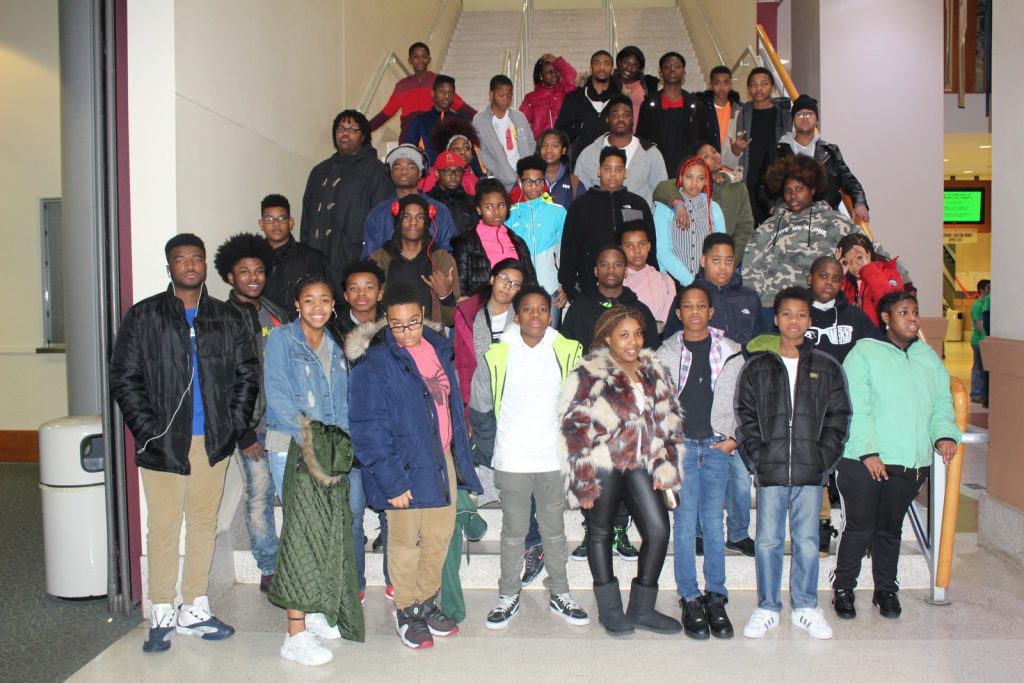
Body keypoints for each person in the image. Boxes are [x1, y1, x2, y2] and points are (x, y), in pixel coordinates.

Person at [109, 234, 258, 653]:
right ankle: (161, 609)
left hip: (211, 441)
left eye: (196, 259)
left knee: (203, 524)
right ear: (169, 267)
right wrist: (146, 429)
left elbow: (248, 373)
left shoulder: (226, 318)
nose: (190, 266)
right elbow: (124, 377)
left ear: (205, 266)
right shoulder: (143, 316)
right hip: (162, 444)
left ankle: (194, 605)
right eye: (181, 260)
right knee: (163, 525)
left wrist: (232, 426)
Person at [347, 281, 483, 650]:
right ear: (386, 321)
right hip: (403, 466)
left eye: (413, 322)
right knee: (405, 542)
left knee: (439, 537)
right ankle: (406, 609)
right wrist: (391, 481)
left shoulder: (439, 349)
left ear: (423, 315)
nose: (406, 331)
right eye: (397, 325)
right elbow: (367, 428)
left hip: (440, 460)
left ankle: (426, 601)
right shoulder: (374, 363)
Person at [832, 292, 960, 620]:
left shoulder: (927, 357)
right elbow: (855, 405)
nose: (912, 318)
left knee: (890, 530)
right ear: (886, 318)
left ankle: (886, 589)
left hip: (909, 463)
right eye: (903, 312)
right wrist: (868, 451)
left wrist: (944, 434)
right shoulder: (865, 352)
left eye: (915, 311)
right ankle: (844, 588)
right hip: (864, 461)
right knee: (859, 528)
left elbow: (941, 402)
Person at [469, 285, 589, 630]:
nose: (535, 315)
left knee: (554, 531)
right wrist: (494, 448)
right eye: (528, 309)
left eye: (542, 310)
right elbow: (479, 407)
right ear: (516, 316)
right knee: (513, 532)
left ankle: (560, 592)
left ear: (550, 316)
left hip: (552, 459)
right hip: (513, 460)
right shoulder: (497, 355)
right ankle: (508, 594)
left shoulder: (568, 352)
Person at [559, 306, 683, 636]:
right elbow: (573, 427)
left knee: (658, 531)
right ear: (608, 338)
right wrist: (581, 480)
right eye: (624, 335)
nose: (633, 341)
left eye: (638, 334)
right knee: (600, 532)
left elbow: (669, 421)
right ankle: (610, 609)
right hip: (603, 462)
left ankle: (642, 609)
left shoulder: (654, 370)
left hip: (641, 462)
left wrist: (666, 464)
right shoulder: (589, 372)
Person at [736, 286, 851, 641]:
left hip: (810, 470)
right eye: (787, 313)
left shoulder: (826, 367)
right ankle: (767, 607)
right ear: (775, 319)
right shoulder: (757, 366)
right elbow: (745, 416)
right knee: (767, 541)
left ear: (810, 321)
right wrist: (757, 458)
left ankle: (805, 607)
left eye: (801, 315)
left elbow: (839, 416)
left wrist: (824, 458)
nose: (794, 321)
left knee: (806, 541)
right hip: (770, 469)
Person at [263, 275, 363, 665]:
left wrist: (341, 446)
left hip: (327, 452)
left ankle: (316, 611)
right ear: (297, 304)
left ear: (333, 305)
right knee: (300, 536)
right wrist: (314, 442)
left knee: (325, 532)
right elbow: (279, 397)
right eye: (309, 300)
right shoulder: (281, 340)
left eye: (324, 300)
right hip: (291, 447)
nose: (317, 307)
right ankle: (294, 634)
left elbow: (343, 403)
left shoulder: (335, 345)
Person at [661, 234, 761, 556]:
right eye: (715, 260)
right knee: (698, 478)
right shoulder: (691, 296)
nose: (722, 267)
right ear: (703, 261)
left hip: (736, 397)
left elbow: (760, 342)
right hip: (699, 403)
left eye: (729, 261)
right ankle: (700, 533)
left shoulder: (748, 297)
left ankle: (739, 532)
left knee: (740, 477)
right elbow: (672, 345)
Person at [657, 283, 744, 640]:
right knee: (683, 521)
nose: (694, 312)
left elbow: (744, 400)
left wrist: (735, 437)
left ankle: (716, 595)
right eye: (688, 306)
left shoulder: (731, 351)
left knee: (712, 522)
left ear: (711, 311)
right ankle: (690, 596)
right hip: (681, 447)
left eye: (701, 306)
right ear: (679, 313)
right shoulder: (664, 353)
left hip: (716, 446)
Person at [213, 233, 293, 594]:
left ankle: (295, 559)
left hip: (284, 421)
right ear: (230, 276)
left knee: (292, 494)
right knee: (260, 495)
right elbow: (219, 380)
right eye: (244, 271)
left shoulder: (278, 313)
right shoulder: (221, 318)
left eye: (258, 270)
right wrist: (242, 433)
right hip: (252, 427)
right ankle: (270, 566)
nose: (253, 277)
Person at [805, 256, 885, 555]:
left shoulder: (855, 317)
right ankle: (820, 525)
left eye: (836, 278)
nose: (829, 282)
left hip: (844, 405)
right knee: (815, 468)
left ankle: (858, 530)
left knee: (850, 468)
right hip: (807, 405)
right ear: (810, 278)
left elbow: (879, 351)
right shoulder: (797, 312)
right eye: (823, 275)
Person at [743, 155, 870, 328]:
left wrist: (901, 280)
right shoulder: (768, 227)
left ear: (812, 189)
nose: (792, 195)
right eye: (788, 190)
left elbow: (871, 251)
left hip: (820, 308)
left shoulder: (836, 222)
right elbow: (751, 271)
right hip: (773, 309)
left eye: (799, 189)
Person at [559, 147, 656, 300]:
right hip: (590, 291)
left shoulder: (639, 204)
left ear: (625, 173)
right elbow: (569, 252)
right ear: (599, 171)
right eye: (607, 169)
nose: (613, 174)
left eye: (618, 169)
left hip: (635, 291)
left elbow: (651, 249)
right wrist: (573, 290)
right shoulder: (581, 206)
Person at [301, 109, 391, 274]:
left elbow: (381, 221)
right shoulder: (319, 171)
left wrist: (372, 264)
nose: (345, 133)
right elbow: (307, 219)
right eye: (341, 129)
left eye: (352, 129)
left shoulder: (375, 170)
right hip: (316, 262)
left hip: (355, 264)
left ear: (363, 136)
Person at [759, 94, 869, 222]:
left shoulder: (830, 151)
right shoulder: (777, 151)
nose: (805, 118)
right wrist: (773, 208)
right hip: (789, 220)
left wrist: (859, 203)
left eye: (809, 114)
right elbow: (762, 186)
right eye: (800, 114)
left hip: (825, 219)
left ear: (817, 119)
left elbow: (849, 181)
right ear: (793, 119)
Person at [654, 141, 756, 265]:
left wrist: (729, 261)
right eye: (706, 156)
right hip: (687, 259)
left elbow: (745, 228)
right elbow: (662, 187)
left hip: (722, 260)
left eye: (714, 151)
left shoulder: (738, 188)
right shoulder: (693, 185)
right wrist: (678, 203)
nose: (713, 156)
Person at [369, 194, 459, 327]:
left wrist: (446, 296)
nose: (413, 222)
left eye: (420, 217)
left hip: (431, 335)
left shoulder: (442, 260)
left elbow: (452, 320)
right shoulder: (378, 259)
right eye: (407, 216)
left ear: (427, 222)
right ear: (398, 221)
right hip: (387, 335)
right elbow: (369, 313)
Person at [723, 68, 792, 225]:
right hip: (748, 184)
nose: (759, 88)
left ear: (772, 87)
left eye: (764, 84)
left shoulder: (784, 116)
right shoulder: (740, 115)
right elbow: (727, 161)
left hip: (777, 184)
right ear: (748, 89)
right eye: (754, 85)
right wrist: (734, 151)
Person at [361, 144, 457, 258]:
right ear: (390, 173)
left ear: (420, 172)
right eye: (397, 167)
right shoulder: (377, 214)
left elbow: (449, 252)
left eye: (410, 167)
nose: (404, 171)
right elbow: (369, 258)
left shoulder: (439, 210)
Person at [562, 245, 660, 354]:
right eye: (604, 265)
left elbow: (651, 354)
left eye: (617, 265)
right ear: (596, 271)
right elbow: (565, 350)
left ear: (626, 271)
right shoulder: (579, 309)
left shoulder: (640, 311)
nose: (611, 270)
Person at [573, 95, 668, 208]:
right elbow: (580, 193)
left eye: (626, 115)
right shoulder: (589, 153)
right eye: (615, 115)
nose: (621, 119)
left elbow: (661, 193)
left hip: (638, 217)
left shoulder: (651, 153)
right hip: (599, 217)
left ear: (633, 119)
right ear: (607, 119)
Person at [368, 42, 476, 140]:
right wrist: (363, 129)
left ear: (429, 59)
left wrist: (483, 119)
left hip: (435, 138)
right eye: (416, 57)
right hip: (409, 138)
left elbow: (462, 107)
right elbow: (385, 114)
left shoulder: (440, 82)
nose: (420, 60)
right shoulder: (401, 86)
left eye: (424, 57)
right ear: (410, 60)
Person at [507, 156, 568, 323]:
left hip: (551, 288)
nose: (534, 186)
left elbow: (565, 252)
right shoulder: (509, 215)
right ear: (519, 182)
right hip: (518, 290)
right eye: (528, 181)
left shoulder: (558, 212)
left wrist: (564, 286)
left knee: (550, 336)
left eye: (539, 181)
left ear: (544, 182)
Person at [451, 178, 536, 295]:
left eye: (501, 205)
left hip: (516, 303)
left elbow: (531, 282)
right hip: (482, 304)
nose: (496, 212)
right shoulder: (466, 243)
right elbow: (460, 287)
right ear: (479, 210)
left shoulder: (518, 242)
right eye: (489, 207)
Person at [653, 156, 726, 285]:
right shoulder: (664, 207)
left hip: (707, 282)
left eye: (700, 178)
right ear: (681, 178)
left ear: (706, 181)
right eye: (689, 177)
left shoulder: (713, 208)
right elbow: (662, 251)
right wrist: (690, 282)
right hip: (673, 282)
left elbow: (720, 249)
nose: (694, 183)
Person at [636, 52, 710, 177]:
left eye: (677, 66)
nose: (672, 69)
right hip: (657, 170)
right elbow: (641, 139)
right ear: (660, 73)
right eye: (667, 66)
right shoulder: (649, 105)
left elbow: (704, 141)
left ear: (684, 73)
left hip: (690, 172)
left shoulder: (696, 105)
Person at [258, 193, 331, 309]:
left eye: (282, 218)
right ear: (261, 224)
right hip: (261, 320)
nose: (276, 223)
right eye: (269, 219)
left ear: (291, 223)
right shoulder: (252, 259)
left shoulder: (312, 258)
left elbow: (333, 299)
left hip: (300, 321)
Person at [556, 49, 620, 167]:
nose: (602, 68)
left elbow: (626, 132)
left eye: (606, 64)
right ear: (590, 68)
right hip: (579, 164)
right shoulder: (573, 98)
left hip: (612, 165)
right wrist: (579, 129)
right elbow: (560, 133)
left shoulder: (621, 100)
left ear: (612, 69)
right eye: (597, 63)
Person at [474, 75, 536, 191]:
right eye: (501, 95)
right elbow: (482, 152)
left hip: (524, 176)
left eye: (509, 96)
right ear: (491, 94)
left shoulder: (519, 116)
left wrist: (527, 167)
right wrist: (500, 171)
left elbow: (531, 143)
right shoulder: (480, 119)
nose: (506, 100)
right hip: (500, 179)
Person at [836, 232, 905, 328]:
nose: (855, 265)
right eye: (848, 262)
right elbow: (833, 310)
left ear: (869, 254)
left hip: (880, 335)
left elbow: (890, 304)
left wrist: (868, 269)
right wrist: (837, 274)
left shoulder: (887, 272)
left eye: (859, 258)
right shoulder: (845, 281)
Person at [620, 221, 676, 329]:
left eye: (642, 244)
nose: (637, 250)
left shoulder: (665, 280)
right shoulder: (616, 282)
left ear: (649, 246)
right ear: (621, 249)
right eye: (629, 246)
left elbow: (669, 318)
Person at [402, 75, 468, 164]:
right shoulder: (420, 121)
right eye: (442, 91)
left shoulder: (461, 120)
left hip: (457, 170)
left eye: (450, 92)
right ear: (433, 94)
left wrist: (479, 173)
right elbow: (408, 150)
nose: (446, 96)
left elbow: (470, 152)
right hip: (429, 171)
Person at [419, 116, 485, 195]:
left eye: (466, 148)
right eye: (456, 149)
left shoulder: (474, 179)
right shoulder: (431, 175)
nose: (463, 152)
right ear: (446, 151)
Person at [520, 53, 578, 139]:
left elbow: (573, 77)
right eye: (549, 71)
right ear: (541, 75)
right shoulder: (530, 98)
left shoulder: (567, 91)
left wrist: (558, 61)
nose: (554, 74)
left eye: (556, 71)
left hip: (565, 143)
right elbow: (520, 124)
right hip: (541, 144)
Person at [426, 151, 477, 236]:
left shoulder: (471, 202)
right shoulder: (427, 201)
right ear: (437, 173)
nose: (453, 176)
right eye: (447, 171)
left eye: (458, 171)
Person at [614, 45, 659, 133]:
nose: (629, 68)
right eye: (626, 62)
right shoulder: (610, 83)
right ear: (619, 61)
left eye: (635, 65)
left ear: (640, 69)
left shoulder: (648, 84)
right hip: (615, 135)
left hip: (641, 136)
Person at [536, 128, 584, 209]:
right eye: (544, 145)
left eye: (555, 146)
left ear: (563, 150)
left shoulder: (574, 183)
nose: (548, 150)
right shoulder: (527, 179)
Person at [336, 259, 385, 337]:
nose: (361, 293)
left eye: (369, 287)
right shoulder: (335, 331)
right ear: (346, 296)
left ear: (380, 294)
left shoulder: (391, 325)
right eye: (354, 288)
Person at [701, 66, 741, 153]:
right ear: (710, 85)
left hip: (733, 158)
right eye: (717, 83)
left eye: (726, 83)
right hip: (710, 158)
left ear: (731, 85)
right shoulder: (702, 109)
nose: (722, 88)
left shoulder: (739, 109)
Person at [969, 279, 992, 405]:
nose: (990, 290)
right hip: (978, 342)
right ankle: (976, 394)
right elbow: (979, 325)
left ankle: (981, 393)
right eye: (988, 288)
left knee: (983, 369)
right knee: (978, 369)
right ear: (981, 290)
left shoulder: (985, 303)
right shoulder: (977, 306)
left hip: (982, 341)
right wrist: (985, 338)